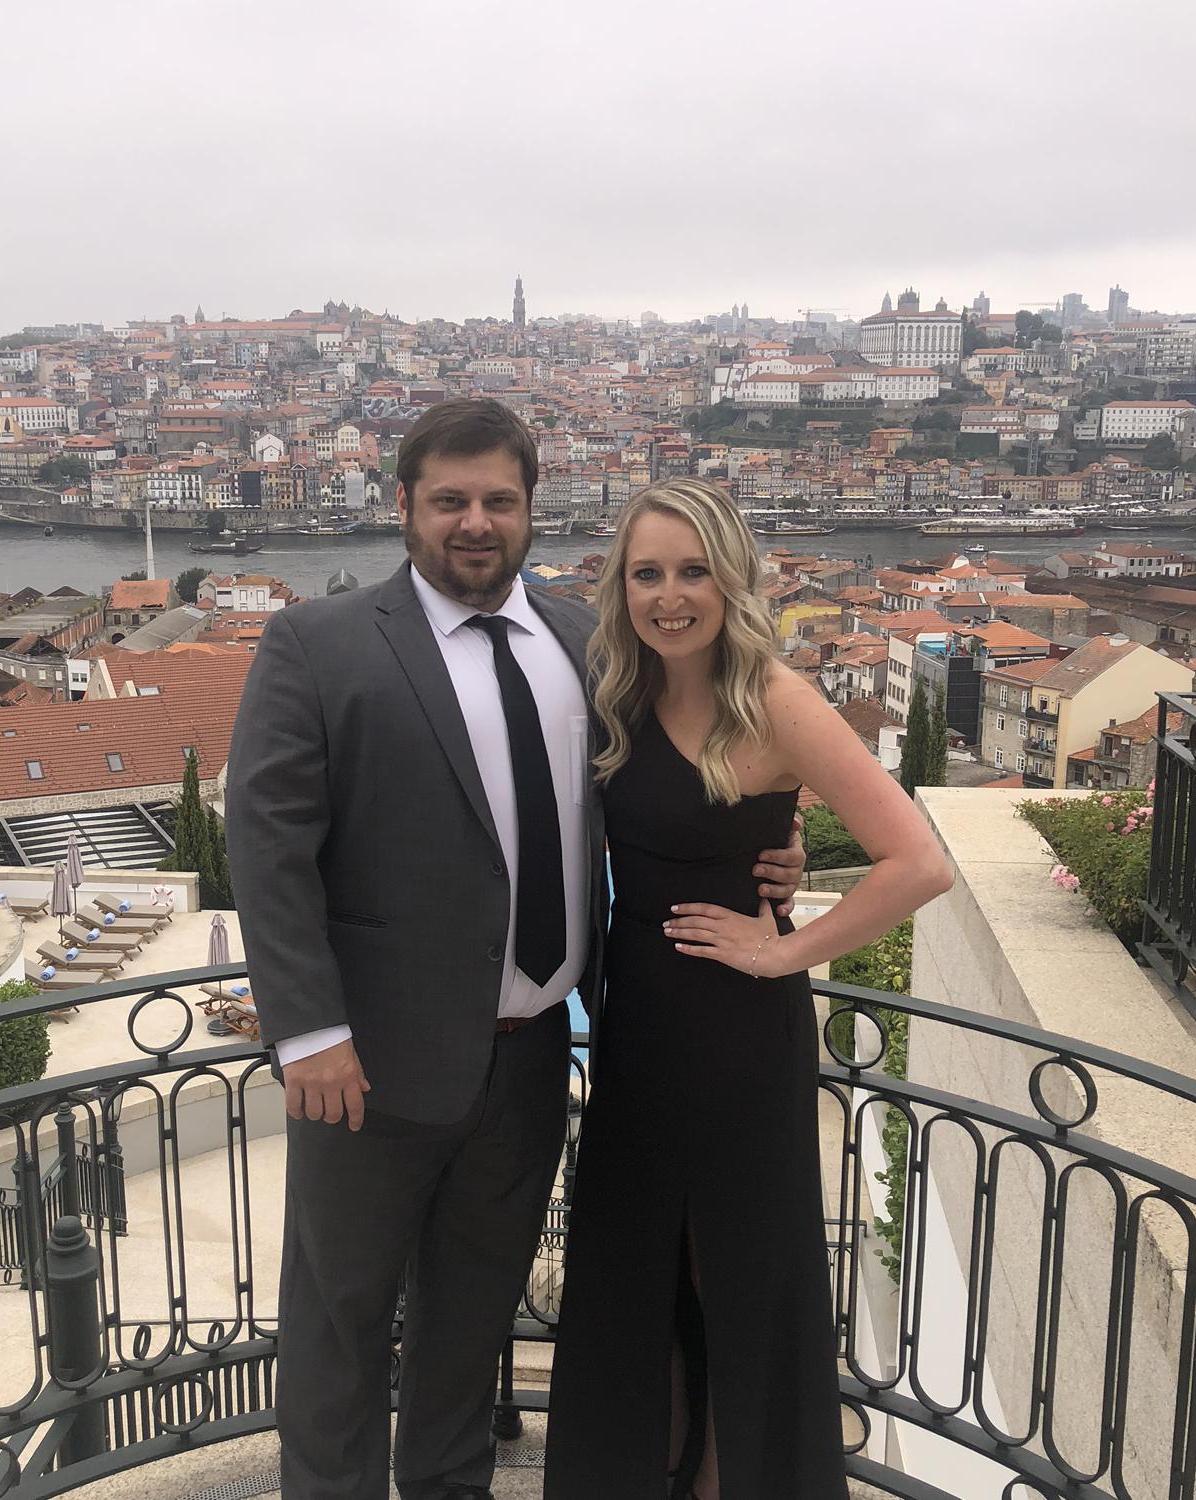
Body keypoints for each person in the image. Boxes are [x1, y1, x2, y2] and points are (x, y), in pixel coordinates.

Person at [224, 401, 809, 1500]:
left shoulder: (592, 643)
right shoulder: (319, 644)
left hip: (534, 1053)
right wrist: (308, 1033)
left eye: (499, 499)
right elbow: (266, 849)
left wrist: (775, 841)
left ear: (532, 508)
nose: (475, 522)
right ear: (404, 506)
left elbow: (697, 762)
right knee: (340, 1328)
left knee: (470, 1322)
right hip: (367, 1065)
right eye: (449, 500)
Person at [543, 478, 954, 1500]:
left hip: (737, 1034)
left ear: (732, 581)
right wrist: (774, 842)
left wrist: (784, 952)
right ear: (620, 586)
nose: (669, 595)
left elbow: (918, 862)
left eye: (693, 572)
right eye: (647, 573)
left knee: (729, 1270)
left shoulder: (775, 698)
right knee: (639, 1267)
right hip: (638, 1027)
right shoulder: (619, 689)